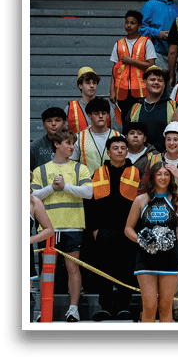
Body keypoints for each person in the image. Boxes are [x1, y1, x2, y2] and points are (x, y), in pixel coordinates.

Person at [137, 121, 178, 322]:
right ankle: (150, 306)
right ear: (164, 140)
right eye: (168, 139)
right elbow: (142, 189)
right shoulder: (153, 159)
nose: (172, 142)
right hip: (153, 222)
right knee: (152, 264)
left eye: (176, 139)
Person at [31, 129, 94, 322]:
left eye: (73, 144)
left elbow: (89, 193)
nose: (71, 147)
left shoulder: (79, 168)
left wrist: (66, 186)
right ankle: (44, 308)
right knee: (47, 270)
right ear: (57, 144)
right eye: (67, 143)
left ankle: (73, 309)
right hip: (48, 228)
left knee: (72, 268)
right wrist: (52, 187)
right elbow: (31, 198)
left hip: (73, 225)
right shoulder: (41, 170)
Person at [125, 161, 178, 322]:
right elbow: (128, 229)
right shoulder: (141, 200)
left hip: (170, 257)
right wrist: (143, 240)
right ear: (152, 177)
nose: (163, 177)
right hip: (146, 258)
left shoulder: (176, 197)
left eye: (166, 174)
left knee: (166, 306)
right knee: (150, 306)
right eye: (159, 174)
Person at [85, 135, 141, 321]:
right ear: (108, 152)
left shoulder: (136, 172)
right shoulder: (98, 173)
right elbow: (90, 204)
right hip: (104, 231)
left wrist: (137, 230)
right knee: (104, 269)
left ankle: (125, 307)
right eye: (115, 148)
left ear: (127, 150)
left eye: (123, 148)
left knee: (127, 269)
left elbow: (141, 203)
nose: (119, 151)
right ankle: (105, 308)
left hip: (128, 230)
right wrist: (94, 229)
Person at [110, 10, 157, 124]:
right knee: (125, 121)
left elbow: (151, 66)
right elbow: (114, 71)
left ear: (139, 25)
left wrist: (131, 61)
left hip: (141, 90)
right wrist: (112, 90)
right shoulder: (118, 44)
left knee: (141, 121)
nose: (129, 25)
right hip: (122, 91)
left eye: (132, 23)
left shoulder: (146, 42)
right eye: (127, 22)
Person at [139, 0, 178, 71]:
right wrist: (157, 33)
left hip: (176, 56)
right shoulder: (150, 5)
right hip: (157, 55)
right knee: (157, 85)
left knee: (174, 86)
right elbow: (140, 28)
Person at [127, 66, 177, 154]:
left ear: (164, 84)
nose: (156, 82)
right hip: (140, 160)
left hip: (166, 160)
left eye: (160, 80)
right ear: (145, 82)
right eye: (153, 80)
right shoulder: (135, 107)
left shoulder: (173, 106)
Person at [70, 96, 122, 177]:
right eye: (96, 113)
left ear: (108, 115)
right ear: (89, 116)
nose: (100, 116)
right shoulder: (79, 138)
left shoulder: (118, 137)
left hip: (113, 186)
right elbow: (72, 166)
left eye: (103, 113)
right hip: (88, 186)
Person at [65, 67, 120, 135]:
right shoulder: (70, 109)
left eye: (94, 83)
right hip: (78, 145)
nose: (92, 86)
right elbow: (64, 136)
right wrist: (82, 135)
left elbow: (116, 132)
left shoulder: (106, 106)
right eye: (88, 83)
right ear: (80, 85)